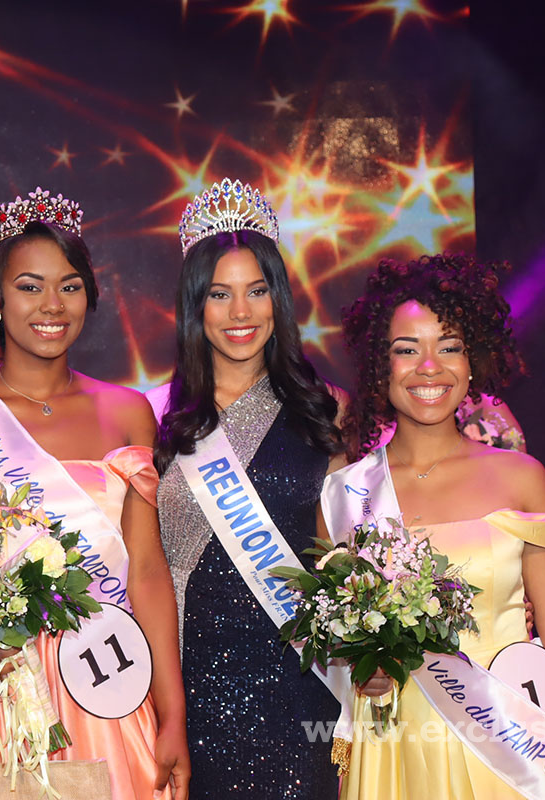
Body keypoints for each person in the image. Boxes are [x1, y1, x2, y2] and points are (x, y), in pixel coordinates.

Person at [0, 188, 191, 800]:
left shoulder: (128, 412)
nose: (52, 304)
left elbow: (147, 573)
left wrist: (172, 713)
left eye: (70, 285)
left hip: (106, 676)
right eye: (30, 286)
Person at [327, 254, 545, 800]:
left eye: (449, 347)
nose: (429, 367)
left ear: (472, 362)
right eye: (406, 350)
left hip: (512, 745)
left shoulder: (520, 477)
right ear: (380, 365)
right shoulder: (346, 492)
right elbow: (338, 643)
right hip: (396, 746)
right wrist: (360, 670)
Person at [151, 179, 346, 798]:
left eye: (256, 292)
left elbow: (341, 551)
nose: (241, 314)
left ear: (278, 299)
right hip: (193, 686)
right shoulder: (156, 418)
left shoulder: (324, 410)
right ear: (194, 305)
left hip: (300, 686)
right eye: (220, 294)